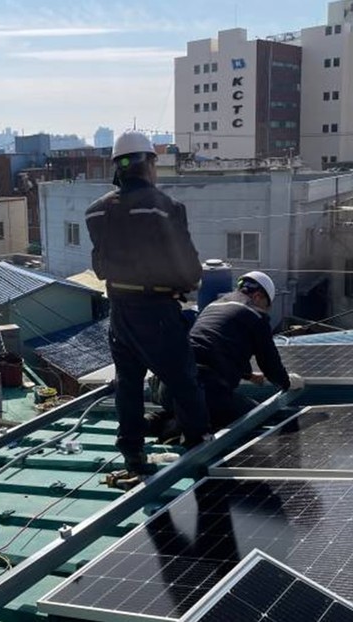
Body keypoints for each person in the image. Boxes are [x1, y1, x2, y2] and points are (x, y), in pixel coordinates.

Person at [86, 130, 210, 476]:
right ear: (149, 163)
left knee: (128, 384)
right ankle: (198, 445)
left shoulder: (96, 212)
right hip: (156, 311)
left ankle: (133, 454)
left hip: (120, 313)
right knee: (183, 380)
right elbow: (188, 269)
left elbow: (99, 265)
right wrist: (186, 285)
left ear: (118, 167)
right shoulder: (164, 207)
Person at [149, 271, 305, 438]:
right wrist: (287, 382)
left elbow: (210, 345)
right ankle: (173, 426)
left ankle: (154, 422)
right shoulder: (255, 315)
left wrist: (248, 375)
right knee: (258, 415)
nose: (266, 312)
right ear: (259, 296)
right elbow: (269, 362)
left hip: (166, 389)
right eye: (267, 306)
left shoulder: (213, 306)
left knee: (193, 406)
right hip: (204, 391)